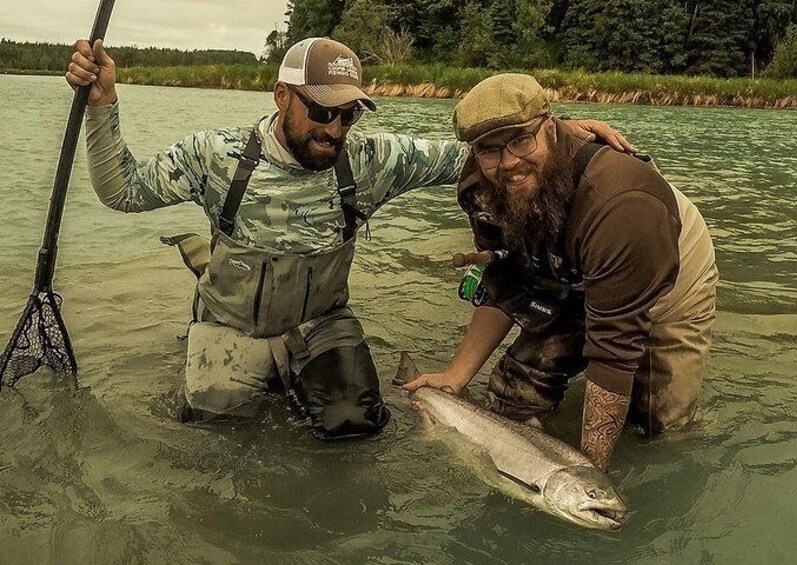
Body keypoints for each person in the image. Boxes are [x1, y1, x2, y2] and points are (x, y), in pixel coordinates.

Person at [65, 37, 633, 441]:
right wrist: (102, 106)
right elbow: (123, 192)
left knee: (355, 426)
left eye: (348, 115)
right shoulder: (215, 154)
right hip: (231, 322)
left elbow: (480, 155)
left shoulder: (372, 159)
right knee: (214, 432)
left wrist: (558, 137)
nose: (334, 129)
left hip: (321, 321)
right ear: (281, 96)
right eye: (321, 111)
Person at [403, 74, 718, 471]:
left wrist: (588, 473)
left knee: (659, 424)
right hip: (567, 261)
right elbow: (505, 281)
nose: (509, 164)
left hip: (663, 264)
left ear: (550, 127)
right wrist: (454, 377)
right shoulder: (481, 186)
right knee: (511, 395)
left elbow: (615, 351)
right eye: (490, 151)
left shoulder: (622, 202)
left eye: (521, 140)